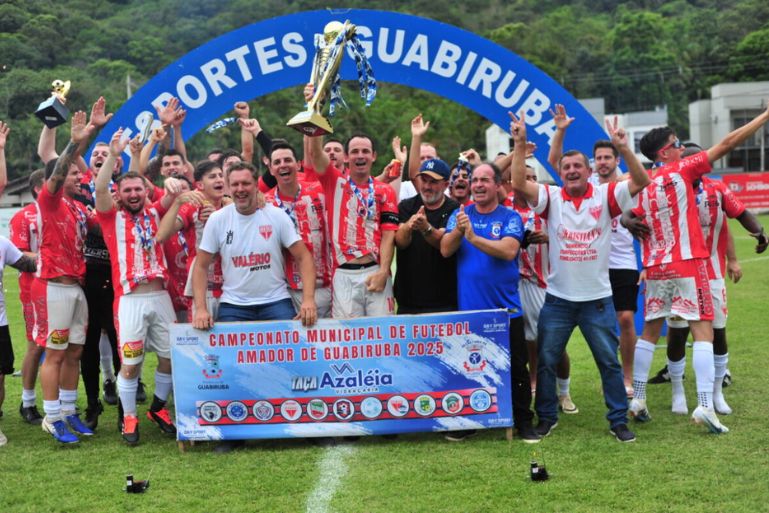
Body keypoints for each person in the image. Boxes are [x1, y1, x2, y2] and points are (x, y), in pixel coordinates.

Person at [629, 103, 769, 434]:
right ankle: (706, 405)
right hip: (688, 262)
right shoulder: (682, 169)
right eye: (676, 144)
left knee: (650, 331)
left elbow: (628, 214)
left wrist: (626, 220)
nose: (682, 148)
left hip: (656, 266)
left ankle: (638, 399)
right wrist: (764, 117)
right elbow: (728, 142)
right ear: (665, 152)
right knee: (704, 330)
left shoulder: (643, 181)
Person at [510, 110, 650, 443]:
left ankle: (618, 420)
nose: (572, 171)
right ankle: (547, 417)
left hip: (597, 299)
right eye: (566, 167)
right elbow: (517, 183)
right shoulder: (551, 198)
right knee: (546, 361)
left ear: (589, 171)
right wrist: (519, 144)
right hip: (558, 299)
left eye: (578, 166)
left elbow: (641, 180)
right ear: (560, 173)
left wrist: (624, 148)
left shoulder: (605, 195)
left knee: (609, 362)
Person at [191, 161, 317, 452]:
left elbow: (303, 257)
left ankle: (303, 424)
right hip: (235, 305)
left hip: (275, 301)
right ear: (228, 186)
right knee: (230, 369)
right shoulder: (218, 220)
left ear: (255, 184)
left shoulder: (275, 216)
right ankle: (234, 433)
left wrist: (309, 299)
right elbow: (201, 266)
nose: (240, 189)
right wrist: (201, 308)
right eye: (235, 184)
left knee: (293, 362)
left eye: (246, 183)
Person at [95, 128, 185, 445]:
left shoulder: (155, 211)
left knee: (169, 358)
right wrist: (114, 155)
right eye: (128, 190)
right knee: (131, 365)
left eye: (138, 189)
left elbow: (174, 192)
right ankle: (130, 417)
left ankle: (158, 409)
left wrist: (173, 184)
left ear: (146, 191)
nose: (134, 194)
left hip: (160, 296)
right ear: (119, 195)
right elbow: (100, 187)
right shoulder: (110, 217)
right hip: (130, 300)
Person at [440, 162, 539, 443]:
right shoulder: (461, 214)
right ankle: (470, 421)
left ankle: (523, 421)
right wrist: (459, 231)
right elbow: (446, 250)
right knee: (469, 368)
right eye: (475, 180)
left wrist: (473, 236)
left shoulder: (510, 217)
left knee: (516, 368)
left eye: (485, 180)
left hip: (506, 310)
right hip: (471, 310)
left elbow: (508, 251)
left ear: (498, 185)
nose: (478, 185)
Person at [547, 104, 640, 396]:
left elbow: (640, 198)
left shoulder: (623, 185)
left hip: (621, 261)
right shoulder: (586, 186)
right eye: (598, 158)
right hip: (588, 268)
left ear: (616, 160)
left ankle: (627, 376)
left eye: (607, 157)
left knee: (626, 318)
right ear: (592, 165)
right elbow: (555, 162)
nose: (602, 162)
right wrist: (560, 131)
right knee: (589, 328)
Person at [34, 99, 111, 444]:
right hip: (54, 286)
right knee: (55, 352)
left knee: (75, 352)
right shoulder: (50, 201)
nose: (80, 176)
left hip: (76, 286)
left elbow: (108, 219)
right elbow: (57, 169)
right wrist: (75, 141)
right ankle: (51, 417)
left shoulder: (80, 209)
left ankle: (68, 411)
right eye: (74, 173)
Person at [307, 122, 399, 317]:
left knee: (383, 332)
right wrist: (316, 119)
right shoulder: (334, 182)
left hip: (375, 270)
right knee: (347, 335)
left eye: (365, 151)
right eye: (355, 151)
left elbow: (388, 235)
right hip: (343, 273)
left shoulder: (385, 190)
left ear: (374, 156)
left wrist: (384, 272)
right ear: (347, 157)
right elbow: (315, 154)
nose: (360, 155)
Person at [263, 141, 333, 318]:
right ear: (270, 169)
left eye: (288, 160)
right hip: (284, 293)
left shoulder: (319, 191)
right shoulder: (264, 204)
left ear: (298, 164)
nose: (283, 165)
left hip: (326, 287)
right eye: (277, 162)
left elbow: (350, 189)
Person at [394, 158, 459, 314]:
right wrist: (408, 226)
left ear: (445, 185)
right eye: (424, 180)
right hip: (408, 301)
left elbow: (443, 244)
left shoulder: (454, 209)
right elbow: (400, 243)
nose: (427, 186)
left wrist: (425, 227)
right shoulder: (406, 206)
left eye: (433, 182)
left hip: (443, 302)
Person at [9, 170, 46, 425]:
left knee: (64, 347)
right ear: (37, 188)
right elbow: (19, 255)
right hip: (34, 290)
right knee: (36, 345)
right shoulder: (23, 216)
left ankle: (60, 400)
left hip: (64, 288)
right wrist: (51, 259)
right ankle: (28, 402)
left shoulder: (68, 209)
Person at [0, 235, 37, 447]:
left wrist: (53, 256)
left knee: (0, 375)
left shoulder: (2, 243)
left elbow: (27, 264)